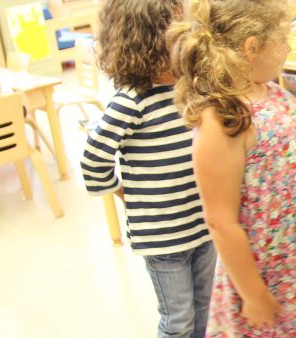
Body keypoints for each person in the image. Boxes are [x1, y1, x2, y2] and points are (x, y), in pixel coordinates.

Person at [168, 0, 296, 336]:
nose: (288, 47)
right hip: (268, 276)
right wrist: (252, 293)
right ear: (252, 48)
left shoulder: (273, 92)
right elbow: (220, 220)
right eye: (283, 39)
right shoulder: (222, 119)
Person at [80, 1, 215, 337]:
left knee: (206, 308)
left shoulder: (190, 88)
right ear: (149, 42)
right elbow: (93, 159)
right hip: (161, 236)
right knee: (178, 320)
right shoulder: (131, 101)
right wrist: (124, 193)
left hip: (202, 226)